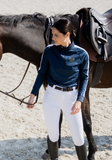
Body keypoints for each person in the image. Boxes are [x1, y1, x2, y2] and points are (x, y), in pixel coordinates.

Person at [27, 18, 89, 160]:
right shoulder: (49, 51)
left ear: (67, 34)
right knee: (53, 135)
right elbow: (41, 73)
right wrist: (33, 94)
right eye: (52, 34)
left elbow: (84, 78)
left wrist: (79, 100)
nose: (52, 38)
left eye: (56, 35)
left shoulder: (82, 54)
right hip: (52, 96)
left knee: (79, 137)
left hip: (71, 97)